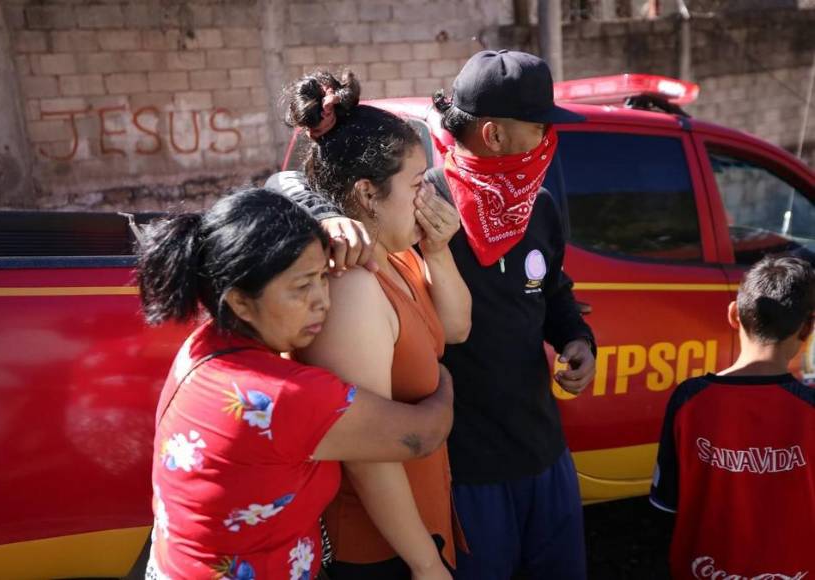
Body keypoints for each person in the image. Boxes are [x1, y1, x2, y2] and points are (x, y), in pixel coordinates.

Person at [273, 52, 597, 579]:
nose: (549, 139)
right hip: (464, 472)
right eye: (540, 127)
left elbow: (550, 292)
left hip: (543, 451)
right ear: (494, 134)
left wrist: (576, 338)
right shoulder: (415, 208)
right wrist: (325, 215)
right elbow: (288, 184)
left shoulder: (536, 206)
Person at [136, 188, 455, 580]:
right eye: (302, 287)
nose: (323, 300)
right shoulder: (278, 399)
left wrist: (325, 214)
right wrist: (442, 375)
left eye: (324, 277)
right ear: (239, 301)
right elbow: (424, 434)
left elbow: (287, 179)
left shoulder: (201, 345)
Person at [280, 71, 471, 580]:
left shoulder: (399, 254)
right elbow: (366, 453)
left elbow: (455, 329)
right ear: (367, 193)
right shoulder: (353, 288)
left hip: (419, 518)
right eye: (415, 185)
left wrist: (437, 247)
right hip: (379, 546)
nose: (425, 197)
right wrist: (425, 563)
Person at [651, 255, 814, 579]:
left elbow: (666, 505)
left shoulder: (688, 399)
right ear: (808, 327)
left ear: (733, 314)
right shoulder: (809, 407)